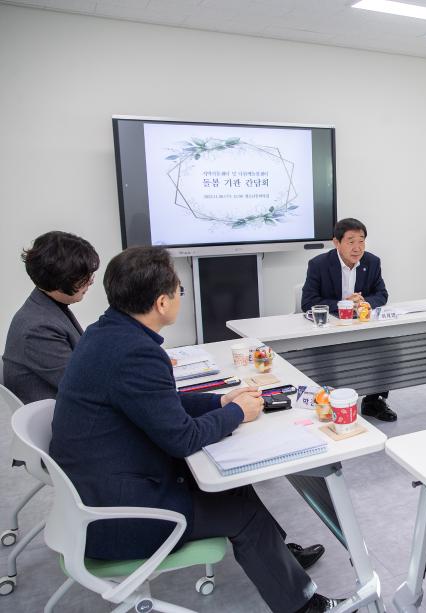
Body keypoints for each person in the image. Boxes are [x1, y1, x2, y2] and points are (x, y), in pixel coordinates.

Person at [50, 247, 341, 613]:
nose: (179, 298)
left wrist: (219, 403)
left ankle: (278, 557)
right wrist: (236, 412)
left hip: (97, 488)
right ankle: (304, 607)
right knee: (239, 507)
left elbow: (158, 403)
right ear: (161, 302)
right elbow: (182, 438)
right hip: (116, 515)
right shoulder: (136, 353)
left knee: (235, 485)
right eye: (178, 291)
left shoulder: (107, 332)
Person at [301, 217, 395, 421]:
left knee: (388, 346)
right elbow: (308, 302)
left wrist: (365, 302)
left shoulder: (372, 262)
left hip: (362, 326)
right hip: (331, 326)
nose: (357, 247)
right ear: (336, 242)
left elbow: (382, 294)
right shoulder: (319, 264)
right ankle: (329, 400)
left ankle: (373, 400)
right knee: (326, 353)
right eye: (351, 241)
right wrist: (343, 304)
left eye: (361, 241)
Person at [3, 231, 99, 403]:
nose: (90, 282)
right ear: (59, 281)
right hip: (56, 420)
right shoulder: (38, 328)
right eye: (84, 278)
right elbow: (86, 385)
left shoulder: (45, 306)